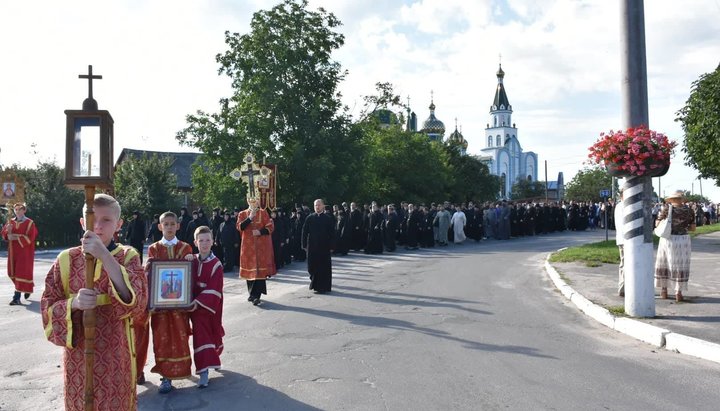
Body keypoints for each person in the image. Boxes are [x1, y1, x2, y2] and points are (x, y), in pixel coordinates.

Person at [40, 193, 147, 410]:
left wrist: (105, 256)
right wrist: (73, 304)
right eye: (92, 220)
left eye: (106, 220)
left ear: (118, 224)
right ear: (82, 222)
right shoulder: (65, 260)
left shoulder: (128, 256)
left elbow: (137, 303)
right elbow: (48, 307)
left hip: (115, 352)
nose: (98, 226)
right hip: (79, 354)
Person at [136, 211, 193, 391]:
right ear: (160, 227)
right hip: (159, 306)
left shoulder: (186, 248)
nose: (169, 227)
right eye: (165, 224)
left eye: (172, 224)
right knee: (161, 339)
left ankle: (180, 370)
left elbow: (189, 276)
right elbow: (149, 273)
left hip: (179, 305)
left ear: (178, 226)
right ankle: (165, 377)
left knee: (179, 336)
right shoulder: (154, 248)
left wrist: (191, 263)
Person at [187, 226, 224, 388]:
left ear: (213, 242)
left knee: (208, 332)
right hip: (193, 304)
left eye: (208, 240)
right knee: (203, 334)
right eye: (201, 240)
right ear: (195, 242)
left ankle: (204, 370)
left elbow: (215, 287)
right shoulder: (191, 260)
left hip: (209, 304)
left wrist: (198, 302)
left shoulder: (217, 264)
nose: (204, 243)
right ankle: (208, 364)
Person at [654, 190, 696, 302]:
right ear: (682, 200)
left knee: (665, 263)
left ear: (671, 199)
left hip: (667, 239)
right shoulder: (689, 210)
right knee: (680, 265)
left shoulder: (666, 209)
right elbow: (693, 228)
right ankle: (678, 292)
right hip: (683, 240)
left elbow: (657, 224)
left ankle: (664, 291)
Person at [237, 196, 276, 305]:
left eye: (255, 201)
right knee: (249, 271)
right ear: (248, 201)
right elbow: (239, 227)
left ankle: (256, 296)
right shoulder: (242, 214)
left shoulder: (263, 213)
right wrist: (249, 218)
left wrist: (260, 232)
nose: (253, 203)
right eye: (251, 201)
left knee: (259, 271)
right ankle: (251, 293)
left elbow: (270, 227)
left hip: (260, 248)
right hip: (247, 247)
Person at [2, 203, 38, 305]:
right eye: (15, 209)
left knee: (21, 273)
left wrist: (16, 237)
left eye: (19, 209)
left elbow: (31, 237)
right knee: (11, 272)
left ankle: (16, 298)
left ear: (24, 210)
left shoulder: (30, 223)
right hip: (13, 251)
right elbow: (5, 235)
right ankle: (27, 287)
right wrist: (7, 231)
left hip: (24, 252)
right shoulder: (10, 222)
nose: (17, 212)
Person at [302, 199, 335, 293]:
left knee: (323, 268)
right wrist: (303, 244)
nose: (317, 207)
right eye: (316, 205)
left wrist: (332, 246)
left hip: (324, 247)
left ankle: (322, 287)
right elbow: (304, 232)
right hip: (312, 246)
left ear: (323, 206)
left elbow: (332, 233)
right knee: (311, 267)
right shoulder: (310, 218)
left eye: (319, 205)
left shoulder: (328, 218)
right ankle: (314, 281)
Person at [614, 191, 625, 297]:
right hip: (626, 239)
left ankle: (623, 287)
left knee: (624, 264)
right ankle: (623, 288)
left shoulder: (618, 206)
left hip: (622, 239)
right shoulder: (623, 206)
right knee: (625, 264)